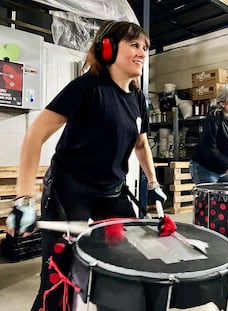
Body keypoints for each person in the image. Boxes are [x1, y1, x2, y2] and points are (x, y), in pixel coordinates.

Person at [6, 20, 167, 310]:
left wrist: (153, 183)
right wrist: (23, 199)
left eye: (144, 47)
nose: (142, 52)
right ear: (108, 49)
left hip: (112, 192)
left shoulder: (138, 98)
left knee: (128, 263)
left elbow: (141, 144)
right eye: (134, 45)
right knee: (59, 276)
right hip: (70, 192)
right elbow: (34, 135)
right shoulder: (87, 87)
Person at [190, 87, 228, 184]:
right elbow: (209, 148)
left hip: (222, 170)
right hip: (206, 168)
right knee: (209, 199)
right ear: (222, 103)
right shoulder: (214, 118)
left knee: (226, 198)